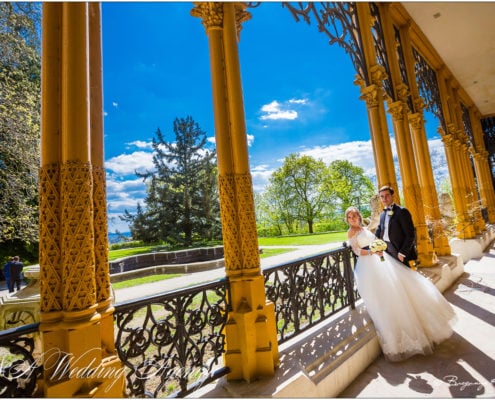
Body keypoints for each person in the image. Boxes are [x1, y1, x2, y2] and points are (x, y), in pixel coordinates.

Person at [345, 206, 456, 362]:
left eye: (355, 215)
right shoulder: (351, 232)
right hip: (368, 267)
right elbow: (357, 251)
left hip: (380, 260)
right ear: (347, 219)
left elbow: (376, 240)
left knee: (397, 289)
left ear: (359, 216)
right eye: (350, 217)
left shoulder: (364, 227)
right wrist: (372, 251)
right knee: (382, 298)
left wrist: (379, 247)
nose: (353, 219)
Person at [374, 185, 417, 267]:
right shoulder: (383, 213)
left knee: (404, 275)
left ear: (392, 196)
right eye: (382, 196)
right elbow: (380, 228)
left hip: (398, 250)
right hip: (386, 249)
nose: (384, 199)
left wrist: (402, 252)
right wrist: (376, 241)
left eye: (387, 195)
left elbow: (410, 235)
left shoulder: (402, 211)